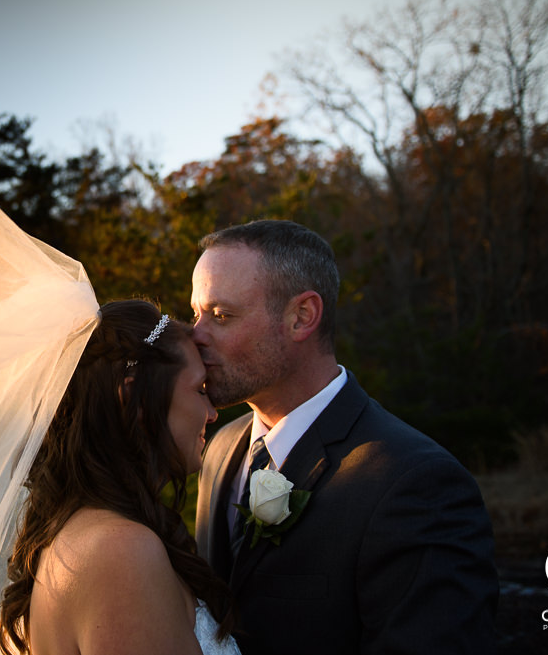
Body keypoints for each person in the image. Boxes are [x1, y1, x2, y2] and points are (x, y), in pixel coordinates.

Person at [191, 220, 498, 654]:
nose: (195, 335)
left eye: (220, 316)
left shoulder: (416, 483)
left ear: (302, 317)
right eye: (196, 313)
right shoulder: (220, 448)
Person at [0, 299, 240, 655]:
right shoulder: (120, 552)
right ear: (133, 397)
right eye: (200, 390)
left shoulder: (85, 531)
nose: (211, 413)